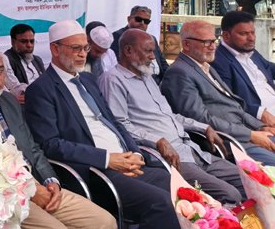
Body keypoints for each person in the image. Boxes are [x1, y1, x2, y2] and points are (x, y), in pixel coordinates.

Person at [24, 20, 179, 229]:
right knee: (160, 202)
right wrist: (107, 159)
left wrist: (135, 154)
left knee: (180, 188)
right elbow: (50, 144)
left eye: (85, 48)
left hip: (127, 160)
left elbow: (113, 121)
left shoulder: (88, 80)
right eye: (76, 48)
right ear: (55, 49)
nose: (82, 54)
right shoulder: (41, 89)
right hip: (96, 170)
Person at [0, 43, 115, 229]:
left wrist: (51, 181)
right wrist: (29, 189)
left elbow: (32, 148)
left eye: (0, 70)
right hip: (4, 195)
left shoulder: (9, 101)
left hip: (38, 182)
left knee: (105, 222)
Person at [100, 29, 244, 204]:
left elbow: (170, 116)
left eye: (153, 51)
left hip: (191, 149)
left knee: (249, 178)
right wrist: (157, 141)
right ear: (128, 50)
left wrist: (203, 127)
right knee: (231, 195)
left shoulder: (147, 77)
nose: (153, 57)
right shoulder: (113, 80)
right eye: (148, 51)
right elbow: (120, 125)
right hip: (168, 158)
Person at [160, 20, 275, 165]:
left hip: (246, 132)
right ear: (187, 44)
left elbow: (234, 106)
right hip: (229, 142)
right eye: (206, 42)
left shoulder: (205, 66)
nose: (213, 47)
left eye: (214, 41)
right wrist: (251, 135)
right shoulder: (179, 73)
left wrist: (260, 126)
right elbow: (201, 120)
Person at [212, 11, 275, 123]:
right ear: (226, 36)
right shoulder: (218, 61)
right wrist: (260, 113)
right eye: (244, 34)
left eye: (253, 32)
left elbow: (269, 68)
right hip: (260, 119)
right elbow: (227, 100)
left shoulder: (250, 51)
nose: (251, 38)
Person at [110, 6, 168, 84]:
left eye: (146, 21)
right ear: (129, 19)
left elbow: (162, 63)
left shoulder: (151, 39)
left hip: (159, 83)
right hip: (136, 82)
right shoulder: (119, 37)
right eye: (138, 19)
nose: (142, 23)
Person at [4, 23, 45, 98]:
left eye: (31, 41)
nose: (29, 45)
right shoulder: (7, 60)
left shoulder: (37, 60)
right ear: (13, 42)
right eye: (24, 41)